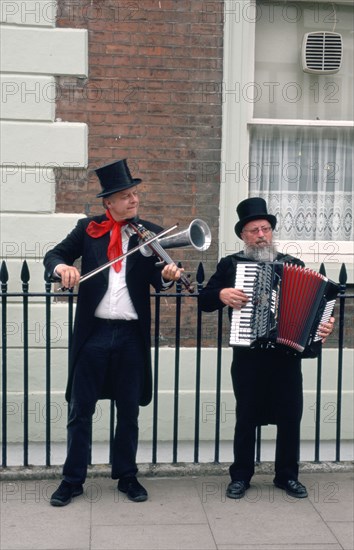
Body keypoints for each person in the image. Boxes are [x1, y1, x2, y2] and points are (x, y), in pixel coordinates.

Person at [44, 159, 182, 506]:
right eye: (124, 196)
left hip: (130, 337)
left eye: (134, 194)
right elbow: (54, 255)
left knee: (129, 412)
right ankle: (72, 479)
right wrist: (62, 268)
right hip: (93, 335)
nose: (133, 200)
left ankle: (127, 476)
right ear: (109, 203)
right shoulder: (87, 229)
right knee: (80, 411)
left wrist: (166, 275)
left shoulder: (150, 234)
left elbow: (157, 277)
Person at [199, 197, 334, 500]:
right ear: (243, 236)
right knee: (246, 416)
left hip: (285, 356)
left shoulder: (293, 265)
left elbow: (315, 309)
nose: (261, 235)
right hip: (248, 356)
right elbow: (204, 302)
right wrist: (222, 293)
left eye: (265, 229)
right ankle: (241, 476)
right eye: (253, 230)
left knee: (290, 416)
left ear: (272, 232)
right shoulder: (231, 265)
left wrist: (325, 325)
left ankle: (287, 476)